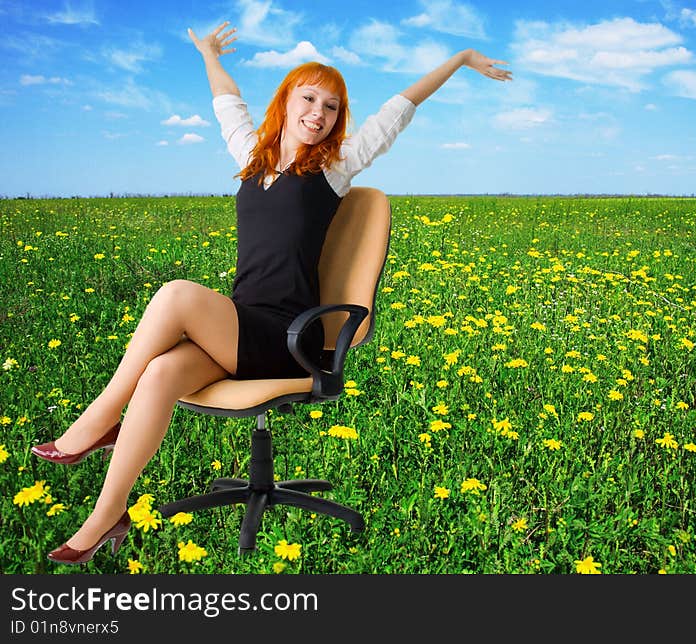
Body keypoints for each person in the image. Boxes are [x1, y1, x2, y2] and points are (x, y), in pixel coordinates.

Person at [32, 20, 511, 565]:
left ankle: (96, 422)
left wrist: (462, 57)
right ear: (286, 101)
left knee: (175, 295)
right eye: (309, 99)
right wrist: (210, 53)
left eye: (332, 107)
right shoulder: (250, 156)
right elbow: (227, 100)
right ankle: (106, 516)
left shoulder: (335, 167)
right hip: (241, 324)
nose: (319, 114)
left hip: (289, 335)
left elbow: (398, 109)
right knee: (162, 372)